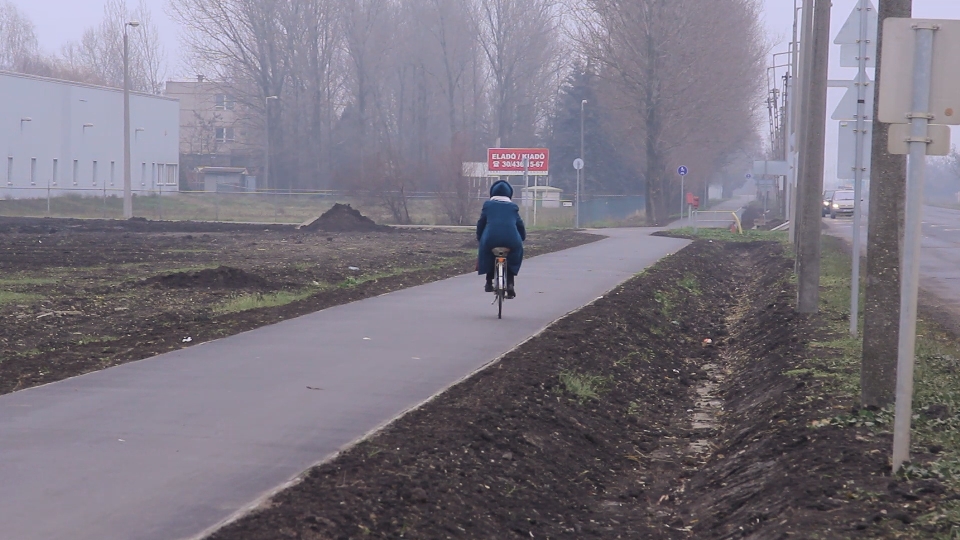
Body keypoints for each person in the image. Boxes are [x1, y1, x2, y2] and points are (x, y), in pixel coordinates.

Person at [476, 180, 525, 298]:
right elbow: (520, 225)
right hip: (511, 240)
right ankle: (510, 283)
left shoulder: (488, 205)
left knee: (486, 252)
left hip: (491, 239)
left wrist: (480, 238)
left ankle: (488, 281)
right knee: (514, 255)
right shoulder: (513, 207)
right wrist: (522, 238)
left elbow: (481, 223)